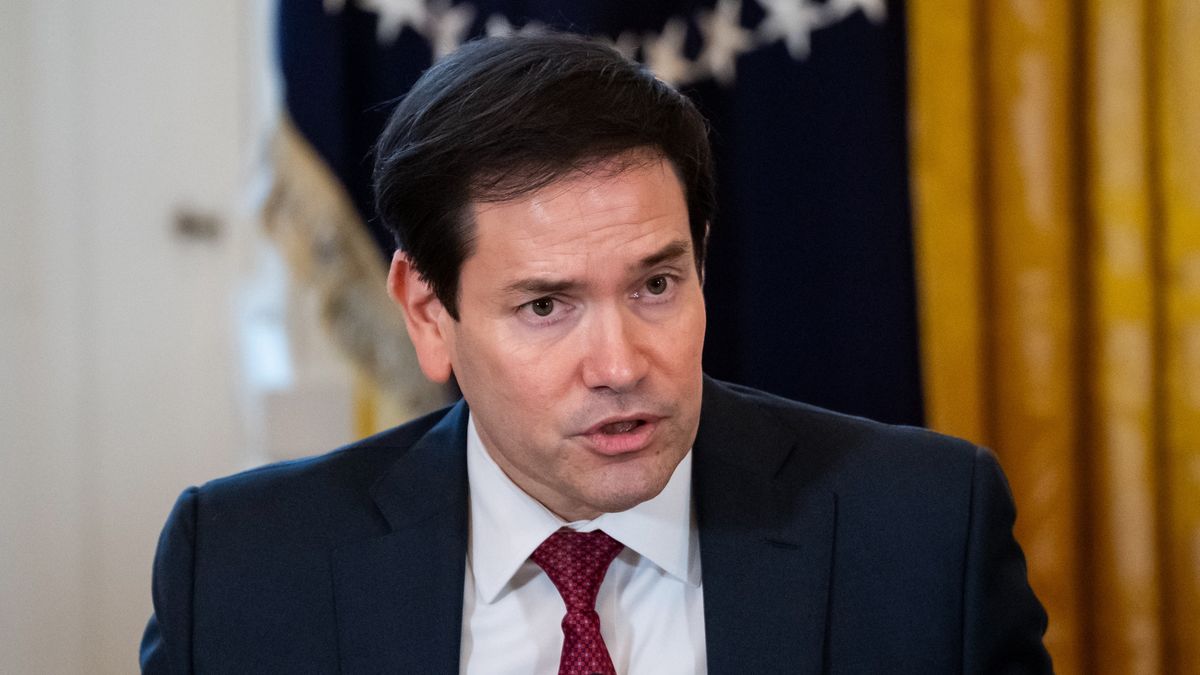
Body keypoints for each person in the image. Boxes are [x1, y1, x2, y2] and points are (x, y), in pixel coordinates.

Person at [141, 34, 1051, 674]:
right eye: (546, 304)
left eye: (656, 285)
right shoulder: (244, 571)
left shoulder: (923, 531)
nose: (619, 363)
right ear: (428, 312)